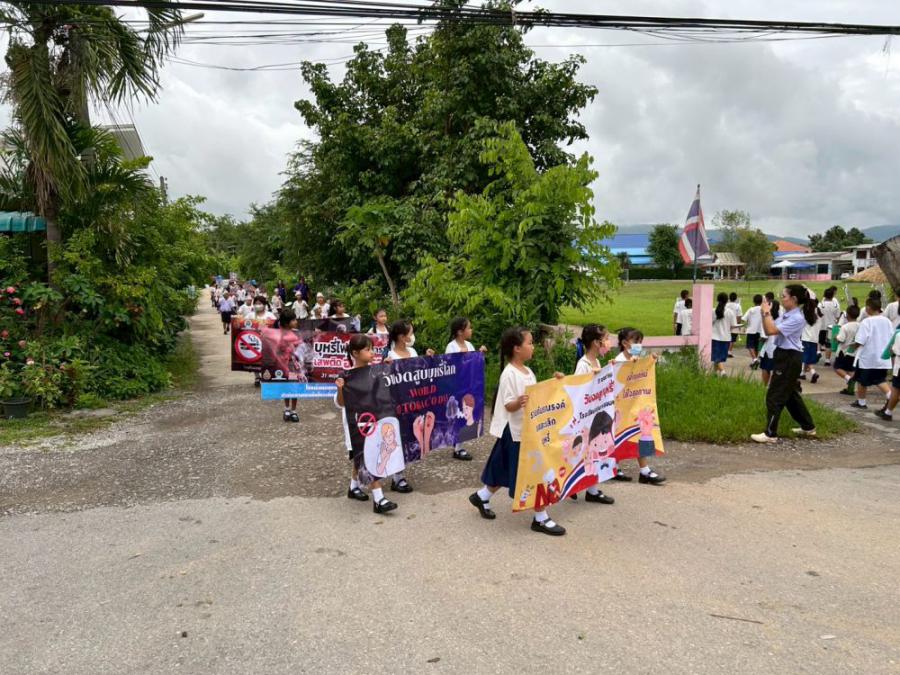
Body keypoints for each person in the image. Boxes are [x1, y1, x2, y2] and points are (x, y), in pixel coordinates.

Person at [469, 327, 566, 536]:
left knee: (504, 467)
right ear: (517, 348)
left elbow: (537, 396)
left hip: (527, 431)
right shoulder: (509, 374)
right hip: (515, 432)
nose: (533, 346)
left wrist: (555, 382)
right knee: (534, 471)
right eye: (529, 343)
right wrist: (518, 402)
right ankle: (541, 518)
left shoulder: (528, 372)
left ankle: (482, 496)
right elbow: (508, 405)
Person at [335, 334, 397, 514]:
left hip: (373, 423)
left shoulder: (376, 371)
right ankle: (379, 499)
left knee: (359, 459)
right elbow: (340, 403)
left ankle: (353, 488)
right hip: (357, 426)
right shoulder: (347, 376)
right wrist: (340, 388)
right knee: (366, 458)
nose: (372, 353)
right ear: (355, 353)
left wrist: (388, 368)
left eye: (372, 349)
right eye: (367, 349)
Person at [751, 285, 817, 443]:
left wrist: (766, 312)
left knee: (775, 395)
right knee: (790, 395)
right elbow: (769, 329)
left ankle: (770, 434)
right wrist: (764, 313)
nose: (781, 299)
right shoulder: (787, 315)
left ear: (794, 299)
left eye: (784, 296)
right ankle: (808, 427)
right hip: (784, 355)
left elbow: (771, 330)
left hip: (789, 357)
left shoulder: (796, 318)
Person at [386, 320, 436, 493]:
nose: (412, 336)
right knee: (399, 438)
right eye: (410, 333)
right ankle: (397, 477)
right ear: (402, 337)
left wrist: (427, 359)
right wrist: (386, 368)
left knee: (409, 438)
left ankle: (400, 473)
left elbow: (420, 373)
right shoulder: (391, 356)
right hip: (399, 404)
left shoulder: (413, 352)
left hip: (414, 402)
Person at [612, 328, 666, 485]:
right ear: (624, 343)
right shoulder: (619, 361)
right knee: (619, 435)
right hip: (621, 407)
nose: (639, 345)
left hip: (634, 405)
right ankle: (614, 466)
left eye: (640, 342)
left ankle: (644, 470)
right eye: (636, 341)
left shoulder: (636, 358)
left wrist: (650, 361)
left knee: (639, 433)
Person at [570, 324, 615, 505]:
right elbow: (578, 390)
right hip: (586, 418)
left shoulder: (596, 362)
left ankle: (592, 490)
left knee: (594, 452)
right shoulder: (584, 365)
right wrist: (592, 377)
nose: (608, 342)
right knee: (583, 453)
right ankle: (574, 486)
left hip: (595, 415)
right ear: (596, 342)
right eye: (606, 339)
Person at [445, 317, 488, 461]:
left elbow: (474, 364)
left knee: (466, 414)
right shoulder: (451, 347)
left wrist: (480, 354)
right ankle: (457, 447)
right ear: (460, 332)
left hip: (469, 385)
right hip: (457, 386)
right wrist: (459, 357)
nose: (471, 330)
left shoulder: (469, 345)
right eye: (469, 328)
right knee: (458, 415)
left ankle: (459, 445)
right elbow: (448, 366)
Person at [849, 297, 893, 410]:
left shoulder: (867, 322)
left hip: (867, 357)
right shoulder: (887, 321)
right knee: (879, 379)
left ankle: (862, 402)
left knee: (861, 380)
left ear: (868, 308)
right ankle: (890, 396)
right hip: (883, 357)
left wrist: (852, 347)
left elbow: (860, 340)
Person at [276, 310, 301, 422]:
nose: (296, 322)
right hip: (282, 365)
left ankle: (293, 410)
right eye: (293, 320)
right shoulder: (278, 334)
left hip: (292, 366)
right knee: (285, 386)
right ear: (286, 323)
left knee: (294, 386)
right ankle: (286, 408)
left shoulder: (296, 333)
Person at [833, 304, 861, 396]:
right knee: (851, 370)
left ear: (847, 315)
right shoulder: (860, 326)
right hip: (855, 352)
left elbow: (841, 339)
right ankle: (850, 389)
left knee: (837, 367)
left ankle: (849, 379)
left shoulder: (845, 327)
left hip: (844, 352)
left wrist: (836, 337)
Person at [875, 327, 900, 421]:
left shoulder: (898, 335)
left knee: (896, 391)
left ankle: (887, 413)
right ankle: (886, 412)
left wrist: (891, 349)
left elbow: (895, 351)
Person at [711, 293, 737, 376]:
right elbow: (733, 325)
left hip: (714, 337)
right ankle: (722, 372)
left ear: (717, 300)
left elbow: (709, 323)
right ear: (727, 300)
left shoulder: (713, 311)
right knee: (718, 357)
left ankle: (717, 373)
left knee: (716, 357)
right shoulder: (730, 312)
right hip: (726, 338)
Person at [800, 294, 822, 383]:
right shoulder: (818, 312)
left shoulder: (805, 312)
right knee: (808, 358)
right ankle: (802, 373)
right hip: (815, 339)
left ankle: (813, 373)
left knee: (805, 358)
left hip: (806, 339)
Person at [820, 287, 842, 365]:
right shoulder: (835, 305)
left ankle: (818, 352)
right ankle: (827, 360)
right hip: (831, 327)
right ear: (832, 295)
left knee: (820, 341)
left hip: (822, 326)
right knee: (828, 344)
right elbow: (838, 316)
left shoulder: (821, 304)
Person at [742, 295, 764, 368]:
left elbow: (744, 319)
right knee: (756, 346)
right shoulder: (763, 309)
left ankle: (754, 359)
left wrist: (744, 325)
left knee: (750, 345)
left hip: (751, 330)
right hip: (760, 331)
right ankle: (755, 361)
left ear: (753, 301)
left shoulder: (751, 309)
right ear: (761, 301)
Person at [726, 292, 743, 357]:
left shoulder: (726, 305)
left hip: (726, 323)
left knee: (726, 337)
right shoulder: (738, 306)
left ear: (729, 298)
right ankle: (729, 351)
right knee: (732, 338)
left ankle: (726, 350)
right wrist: (739, 324)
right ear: (736, 299)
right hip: (734, 324)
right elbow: (739, 316)